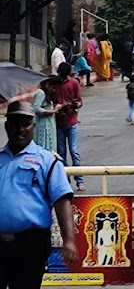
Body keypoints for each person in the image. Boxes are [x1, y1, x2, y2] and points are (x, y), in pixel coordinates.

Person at [0, 100, 77, 287]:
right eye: (15, 123)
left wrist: (69, 241)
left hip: (30, 243)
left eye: (25, 124)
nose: (20, 129)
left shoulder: (47, 160)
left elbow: (62, 200)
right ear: (6, 126)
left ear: (33, 126)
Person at [46, 63, 84, 192]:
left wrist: (74, 105)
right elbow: (48, 99)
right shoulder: (54, 84)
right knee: (61, 153)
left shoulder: (74, 83)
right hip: (58, 121)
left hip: (71, 121)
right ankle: (65, 181)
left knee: (74, 152)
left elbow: (79, 101)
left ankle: (79, 180)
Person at [32, 77, 60, 152]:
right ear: (47, 85)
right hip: (43, 124)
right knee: (44, 145)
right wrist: (53, 111)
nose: (54, 90)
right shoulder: (41, 93)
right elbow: (36, 108)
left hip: (48, 123)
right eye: (53, 88)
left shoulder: (46, 94)